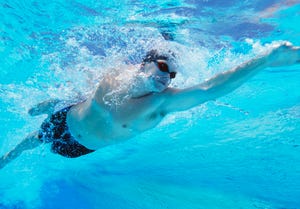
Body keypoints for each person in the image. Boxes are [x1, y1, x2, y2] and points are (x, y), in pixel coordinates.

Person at [1, 42, 300, 169]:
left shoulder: (161, 103)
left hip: (77, 149)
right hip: (65, 120)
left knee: (44, 141)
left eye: (172, 74)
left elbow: (210, 89)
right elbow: (84, 90)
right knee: (34, 140)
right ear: (143, 65)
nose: (167, 78)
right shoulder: (112, 74)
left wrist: (265, 60)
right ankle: (7, 155)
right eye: (162, 67)